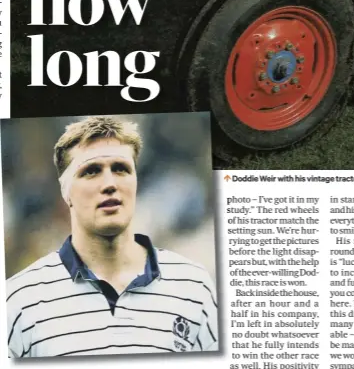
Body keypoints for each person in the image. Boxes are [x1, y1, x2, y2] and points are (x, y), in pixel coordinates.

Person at [6, 116, 218, 358]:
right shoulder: (20, 297)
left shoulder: (193, 285)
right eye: (91, 171)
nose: (109, 184)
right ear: (66, 192)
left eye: (121, 169)